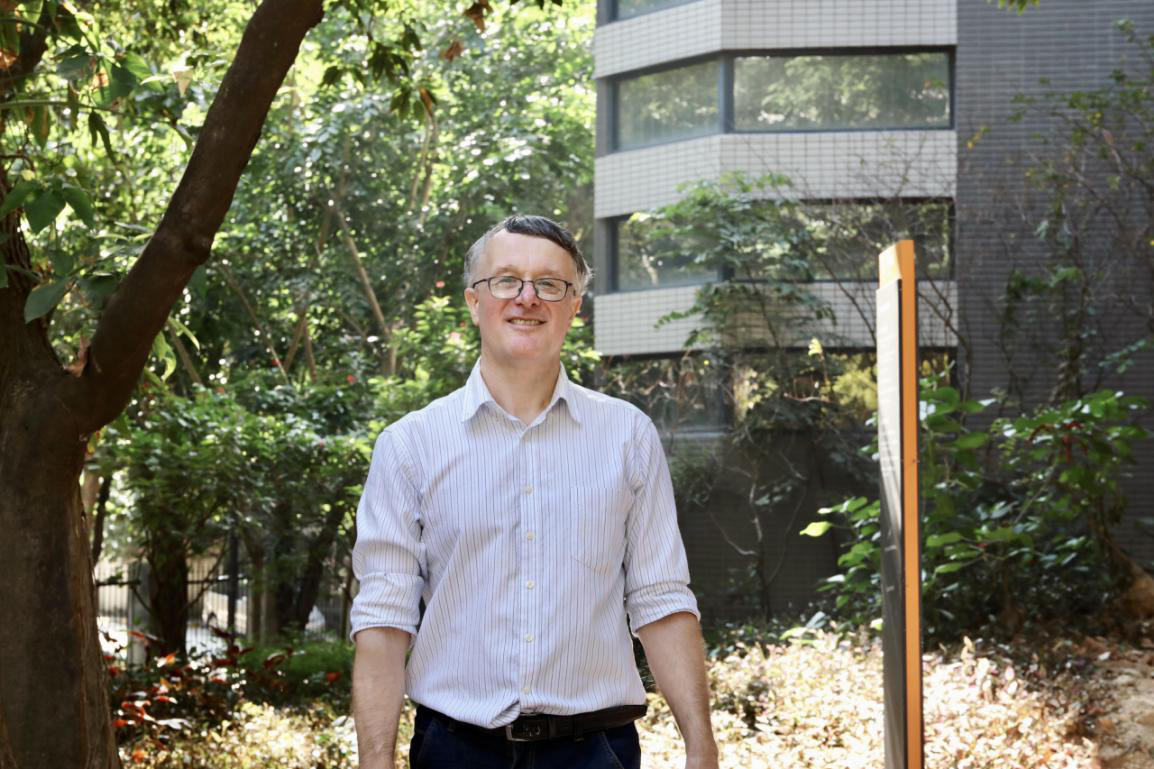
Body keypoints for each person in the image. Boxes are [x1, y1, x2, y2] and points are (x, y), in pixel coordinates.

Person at [349, 215, 719, 769]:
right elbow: (383, 620)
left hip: (596, 752)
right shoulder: (410, 446)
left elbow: (661, 600)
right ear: (474, 301)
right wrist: (375, 761)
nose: (527, 298)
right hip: (454, 751)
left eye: (550, 284)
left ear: (574, 307)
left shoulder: (628, 436)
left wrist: (702, 746)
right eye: (506, 280)